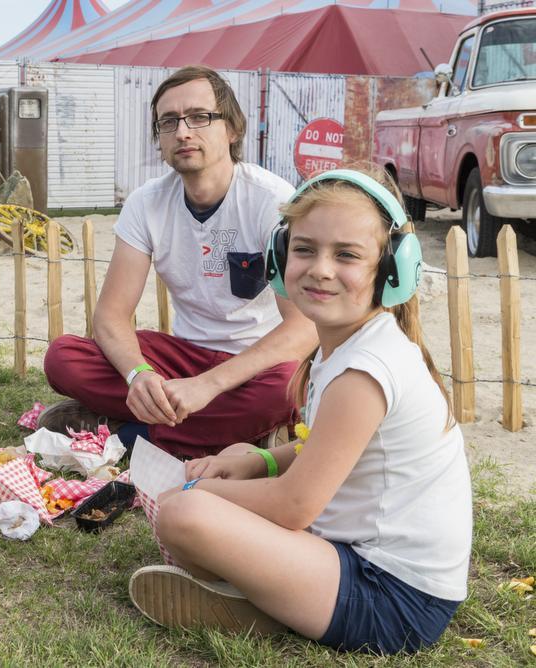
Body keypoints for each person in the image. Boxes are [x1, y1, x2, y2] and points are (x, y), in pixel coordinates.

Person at [127, 167, 472, 655]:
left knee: (184, 514)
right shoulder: (351, 345)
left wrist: (197, 489)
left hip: (395, 601)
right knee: (235, 464)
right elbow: (320, 447)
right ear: (280, 256)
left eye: (347, 255)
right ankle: (270, 605)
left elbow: (294, 506)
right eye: (304, 249)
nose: (320, 268)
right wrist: (258, 462)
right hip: (360, 565)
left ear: (391, 269)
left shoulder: (364, 371)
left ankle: (273, 608)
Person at [40, 65, 317, 459]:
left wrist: (209, 386)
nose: (183, 131)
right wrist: (139, 375)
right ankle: (224, 434)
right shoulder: (146, 203)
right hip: (182, 358)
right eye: (168, 122)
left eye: (200, 117)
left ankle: (132, 436)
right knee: (63, 358)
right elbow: (111, 317)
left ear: (232, 129)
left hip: (256, 363)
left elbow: (304, 328)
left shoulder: (270, 201)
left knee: (289, 387)